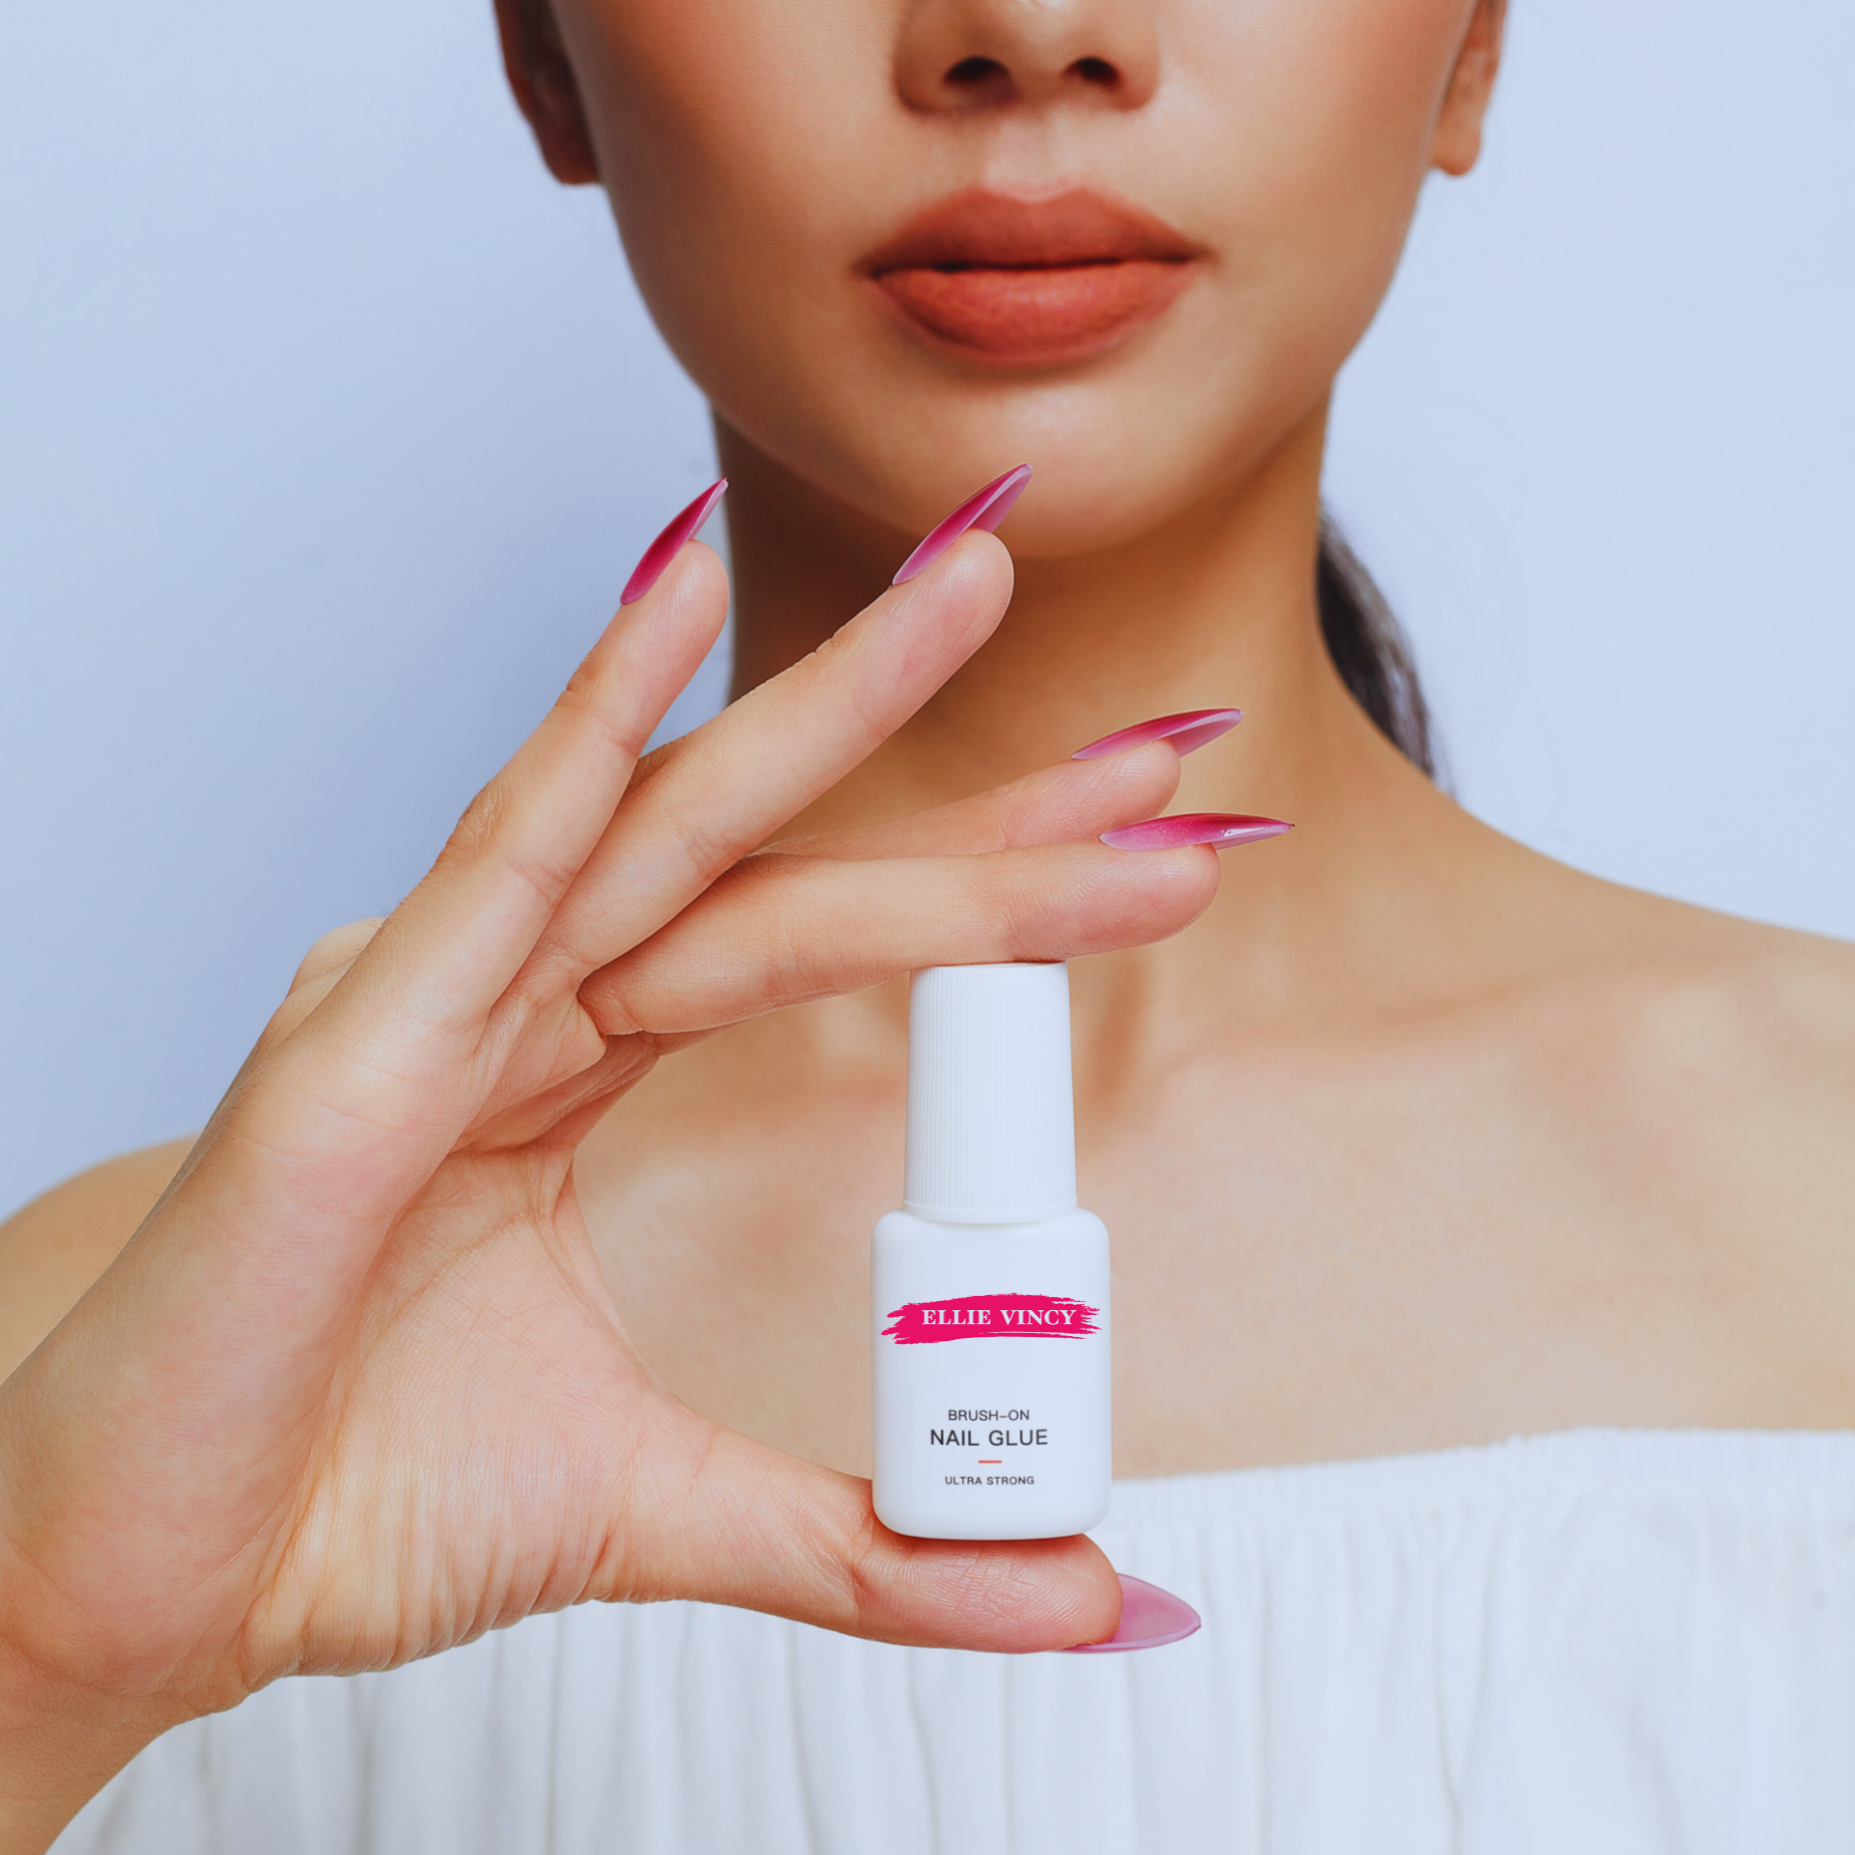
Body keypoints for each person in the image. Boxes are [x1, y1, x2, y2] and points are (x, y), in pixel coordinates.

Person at [5, 0, 1854, 1848]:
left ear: (1469, 45)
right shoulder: (123, 1364)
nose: (1028, 32)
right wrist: (43, 1665)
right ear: (546, 58)